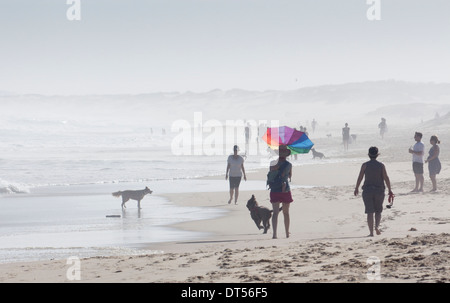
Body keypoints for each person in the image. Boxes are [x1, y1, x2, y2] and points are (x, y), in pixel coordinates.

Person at [354, 147, 393, 237]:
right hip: (379, 191)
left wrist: (356, 188)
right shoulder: (381, 165)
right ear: (377, 154)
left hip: (367, 191)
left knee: (369, 212)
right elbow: (386, 178)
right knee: (378, 211)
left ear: (368, 155)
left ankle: (371, 232)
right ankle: (376, 227)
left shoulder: (365, 165)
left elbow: (360, 177)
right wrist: (390, 190)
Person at [269, 145, 293, 239]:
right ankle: (287, 233)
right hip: (285, 189)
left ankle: (274, 234)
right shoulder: (289, 164)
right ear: (286, 154)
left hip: (274, 189)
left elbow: (270, 175)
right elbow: (290, 176)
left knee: (275, 213)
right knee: (286, 213)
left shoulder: (272, 163)